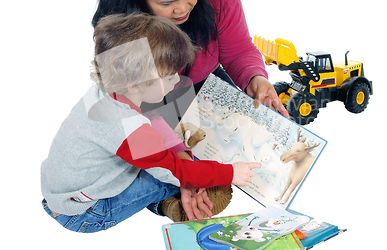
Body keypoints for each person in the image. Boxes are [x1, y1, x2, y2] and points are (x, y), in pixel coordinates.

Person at [41, 13, 260, 232]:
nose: (177, 79)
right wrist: (229, 173)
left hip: (66, 194)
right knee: (164, 176)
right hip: (86, 214)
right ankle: (165, 201)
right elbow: (176, 171)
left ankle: (170, 199)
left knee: (167, 164)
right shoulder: (126, 127)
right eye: (169, 76)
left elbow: (153, 120)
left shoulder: (111, 91)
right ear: (134, 84)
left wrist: (182, 156)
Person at [92, 0, 288, 120]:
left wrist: (255, 78)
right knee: (161, 148)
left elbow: (238, 50)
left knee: (247, 134)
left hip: (205, 81)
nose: (183, 9)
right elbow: (121, 87)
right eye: (167, 3)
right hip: (148, 96)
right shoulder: (117, 14)